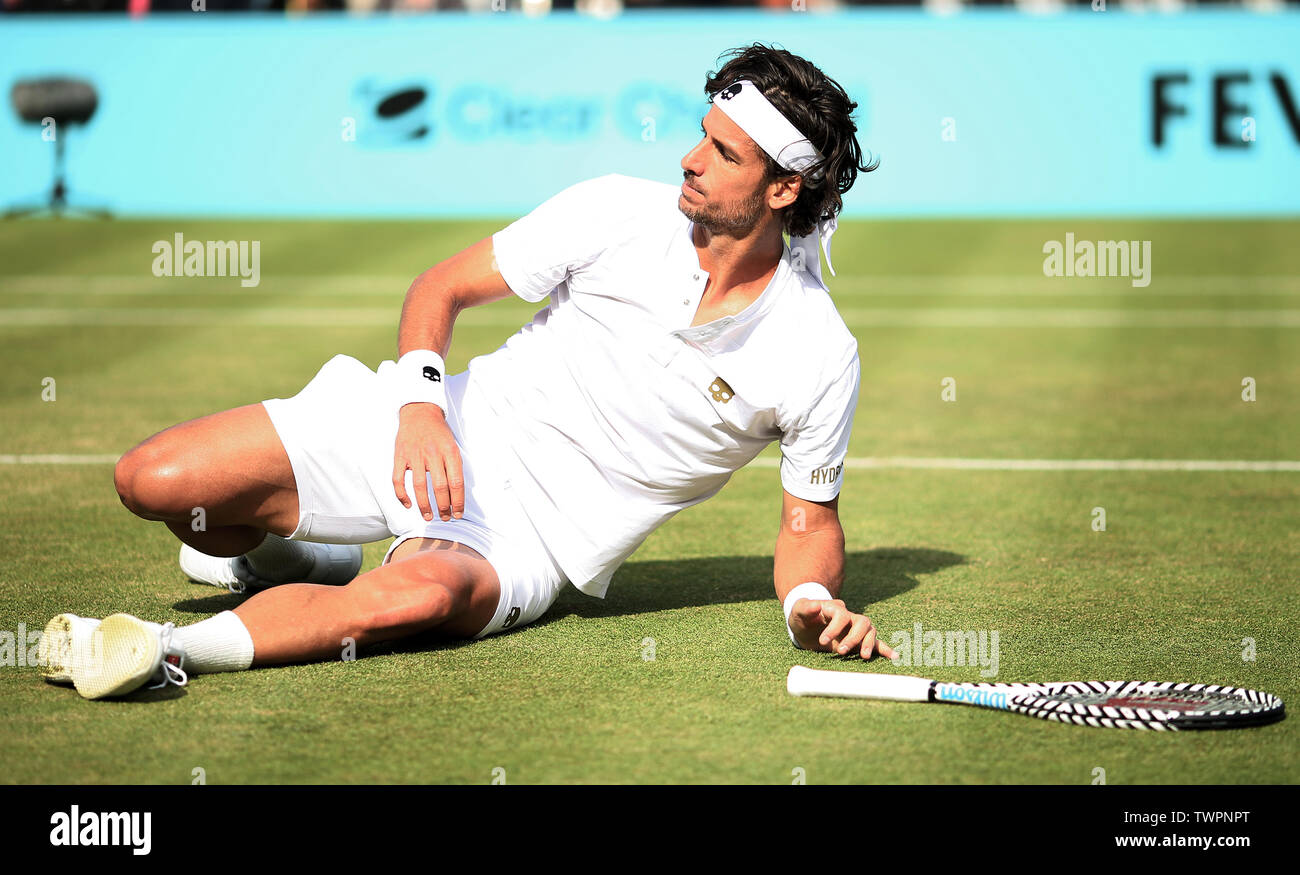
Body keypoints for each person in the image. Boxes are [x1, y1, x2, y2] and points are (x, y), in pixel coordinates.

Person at [39, 43, 896, 700]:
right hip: (437, 424)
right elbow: (439, 288)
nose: (689, 159)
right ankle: (294, 556)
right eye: (699, 137)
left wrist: (809, 596)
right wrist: (420, 408)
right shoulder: (615, 210)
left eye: (723, 154)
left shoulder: (817, 350)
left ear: (782, 192)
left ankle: (157, 648)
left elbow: (805, 520)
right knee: (154, 480)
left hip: (531, 541)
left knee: (412, 601)